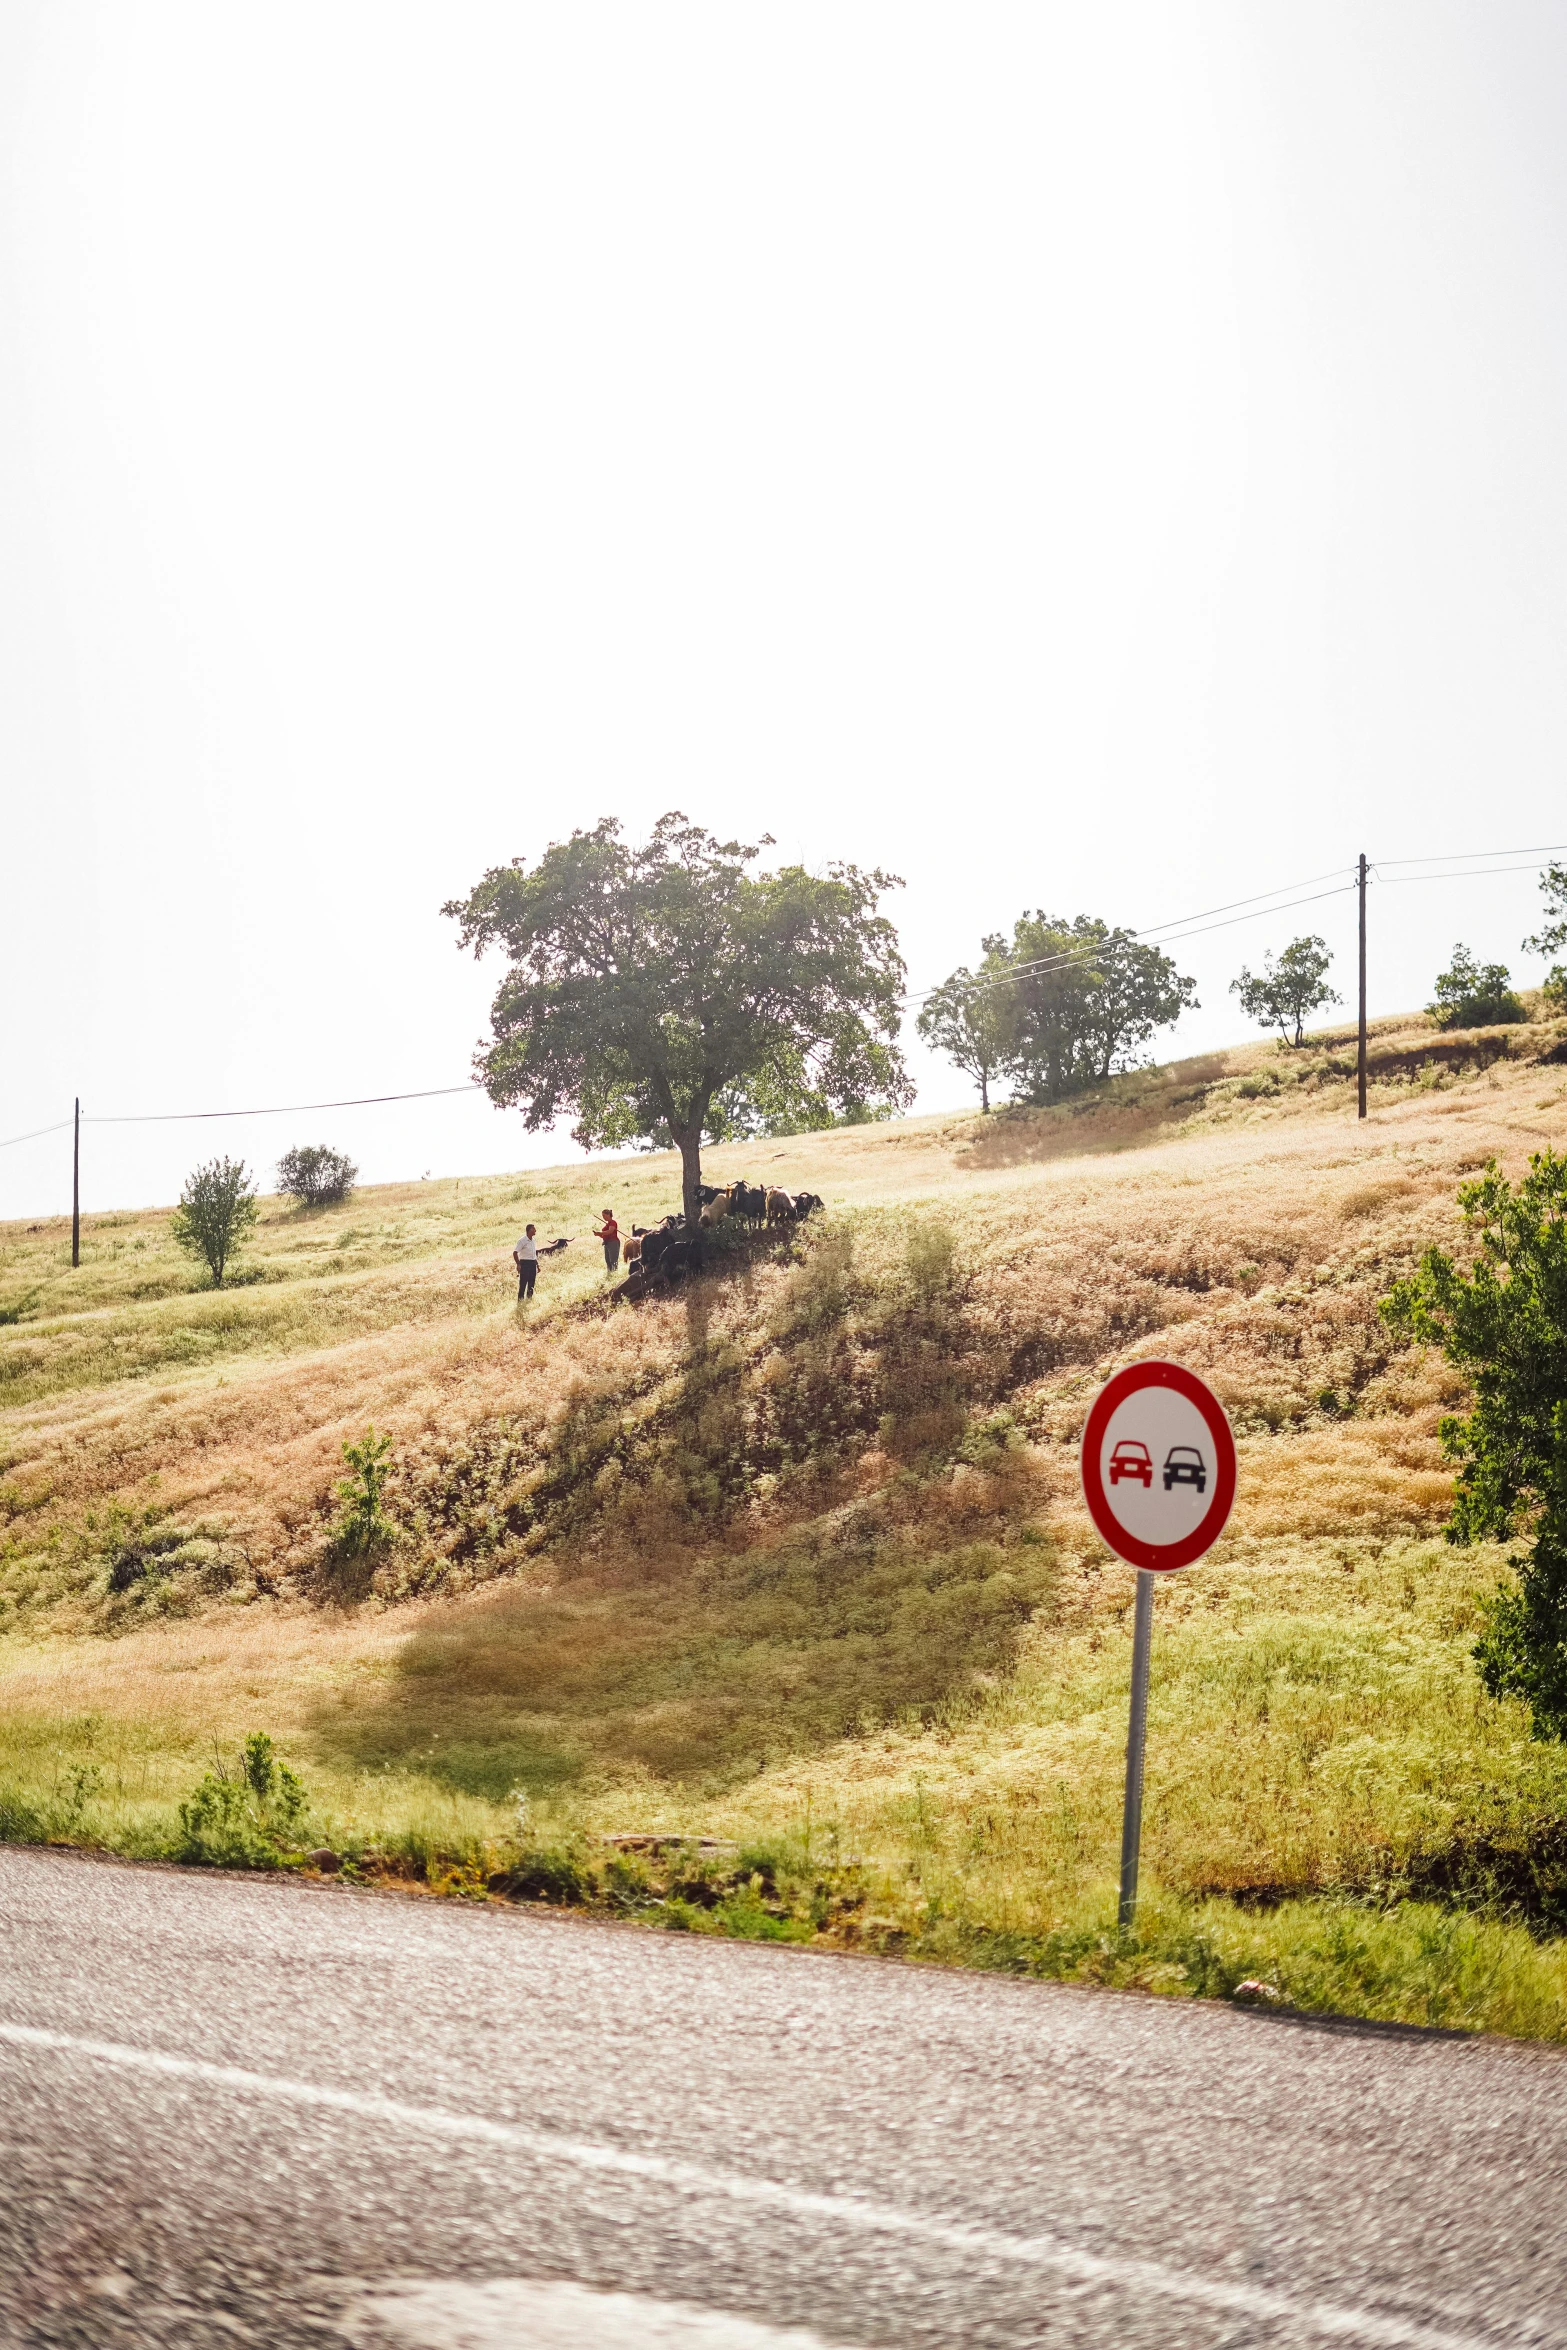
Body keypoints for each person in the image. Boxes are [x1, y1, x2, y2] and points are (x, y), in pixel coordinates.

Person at [513, 1223, 539, 1301]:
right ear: (529, 1230)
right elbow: (515, 1252)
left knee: (531, 1283)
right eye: (534, 1229)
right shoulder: (522, 1241)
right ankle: (520, 1301)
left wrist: (537, 1265)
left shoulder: (533, 1241)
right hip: (524, 1264)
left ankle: (529, 1300)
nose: (535, 1230)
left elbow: (533, 1254)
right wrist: (518, 1264)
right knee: (523, 1284)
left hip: (532, 1263)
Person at [595, 1208, 620, 1274]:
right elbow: (605, 1236)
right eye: (602, 1216)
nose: (603, 1217)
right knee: (607, 1260)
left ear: (608, 1215)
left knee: (613, 1259)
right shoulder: (608, 1224)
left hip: (613, 1242)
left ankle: (614, 1273)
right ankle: (610, 1273)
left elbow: (610, 1231)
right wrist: (598, 1234)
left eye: (604, 1215)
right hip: (607, 1243)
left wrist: (600, 1232)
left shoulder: (613, 1222)